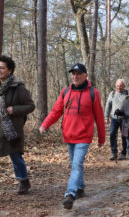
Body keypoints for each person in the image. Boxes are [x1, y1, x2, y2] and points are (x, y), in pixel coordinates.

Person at [39, 63, 105, 209]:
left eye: (78, 73)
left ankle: (70, 194)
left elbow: (99, 116)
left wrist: (102, 137)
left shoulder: (93, 93)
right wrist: (45, 124)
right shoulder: (65, 92)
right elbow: (56, 111)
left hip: (84, 136)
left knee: (76, 164)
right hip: (69, 135)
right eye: (73, 74)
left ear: (85, 76)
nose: (75, 76)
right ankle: (80, 188)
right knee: (75, 164)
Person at [0, 55, 35, 195]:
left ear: (10, 70)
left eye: (2, 68)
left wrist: (14, 110)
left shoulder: (18, 87)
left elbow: (30, 106)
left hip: (12, 129)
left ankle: (23, 180)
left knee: (15, 156)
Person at [104, 79, 129, 161]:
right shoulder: (112, 93)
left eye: (121, 86)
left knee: (124, 136)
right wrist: (106, 116)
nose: (119, 87)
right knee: (112, 134)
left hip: (125, 119)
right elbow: (108, 105)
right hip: (114, 119)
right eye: (118, 86)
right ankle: (114, 152)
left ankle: (124, 153)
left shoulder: (127, 94)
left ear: (124, 86)